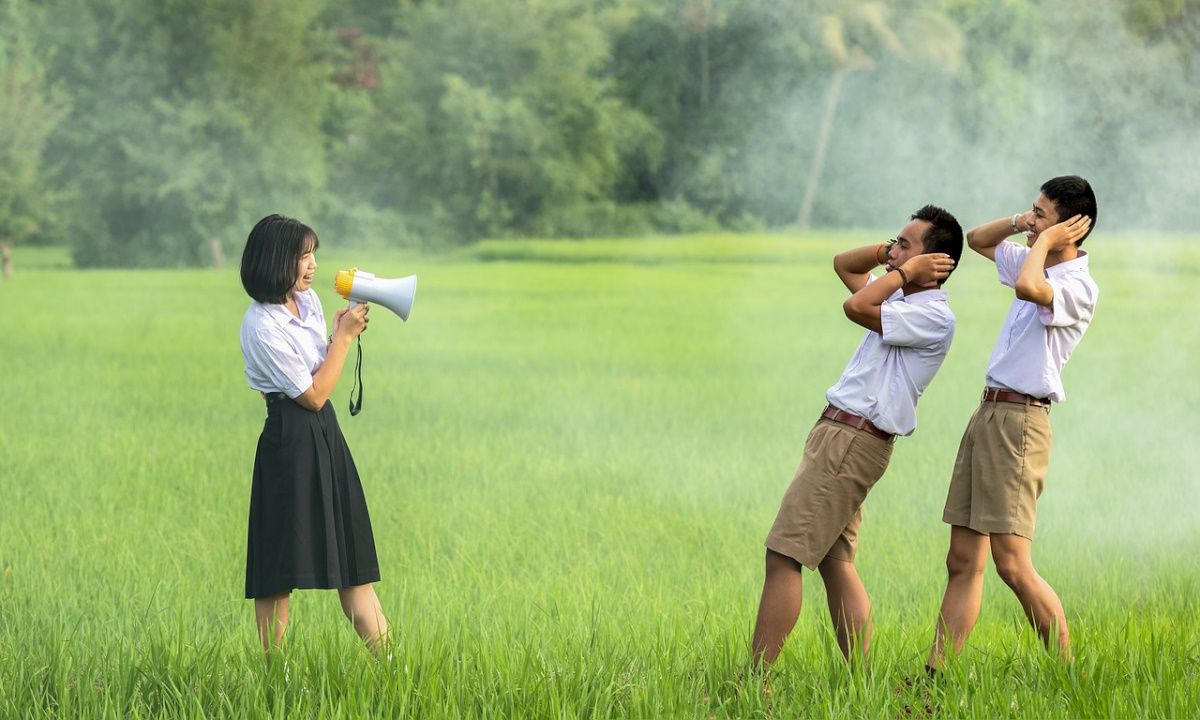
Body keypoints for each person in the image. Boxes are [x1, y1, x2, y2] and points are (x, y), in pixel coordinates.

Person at [751, 205, 963, 666]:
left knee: (783, 555)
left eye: (906, 244)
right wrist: (893, 254)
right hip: (841, 435)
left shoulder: (932, 316)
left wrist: (904, 271)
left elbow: (855, 306)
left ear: (935, 262)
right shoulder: (901, 299)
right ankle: (862, 682)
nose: (893, 252)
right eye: (895, 242)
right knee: (834, 561)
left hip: (851, 440)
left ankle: (752, 684)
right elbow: (844, 265)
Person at [925, 176, 1098, 672]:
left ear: (1069, 228)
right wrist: (1027, 225)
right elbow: (978, 240)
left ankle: (1067, 674)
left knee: (1012, 564)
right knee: (962, 560)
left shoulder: (1078, 285)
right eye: (1032, 211)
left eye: (1041, 213)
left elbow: (1028, 286)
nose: (1031, 220)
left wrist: (1044, 241)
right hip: (989, 413)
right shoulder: (1033, 256)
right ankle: (936, 676)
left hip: (1022, 421)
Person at [239, 214, 389, 655]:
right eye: (302, 256)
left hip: (326, 437)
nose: (312, 265)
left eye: (313, 255)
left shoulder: (307, 304)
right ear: (274, 261)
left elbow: (321, 372)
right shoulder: (261, 326)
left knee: (354, 563)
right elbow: (315, 394)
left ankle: (395, 673)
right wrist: (342, 340)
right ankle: (275, 678)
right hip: (289, 441)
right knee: (276, 571)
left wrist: (339, 334)